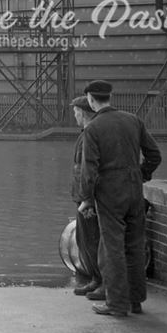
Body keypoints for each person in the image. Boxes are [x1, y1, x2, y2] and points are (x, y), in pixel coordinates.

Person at [77, 80, 161, 317]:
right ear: (109, 97)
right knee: (134, 245)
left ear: (91, 100)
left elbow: (89, 169)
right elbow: (155, 154)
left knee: (111, 248)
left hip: (110, 193)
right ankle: (135, 301)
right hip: (134, 190)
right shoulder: (132, 120)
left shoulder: (93, 128)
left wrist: (86, 198)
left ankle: (116, 304)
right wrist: (141, 174)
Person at [69, 96, 102, 298]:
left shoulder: (90, 134)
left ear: (82, 112)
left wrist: (87, 200)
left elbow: (88, 170)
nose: (74, 116)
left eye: (75, 112)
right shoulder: (85, 134)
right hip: (83, 197)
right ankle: (95, 279)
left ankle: (100, 281)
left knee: (92, 242)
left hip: (88, 199)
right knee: (86, 241)